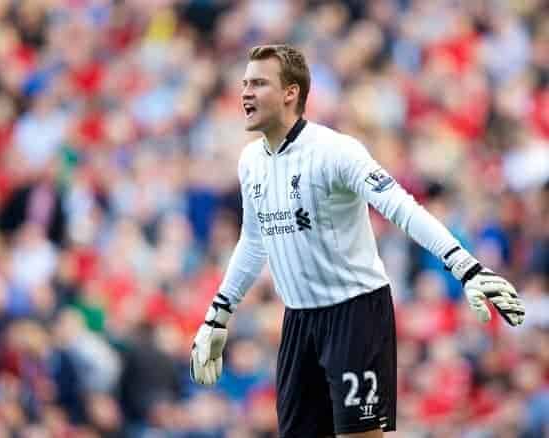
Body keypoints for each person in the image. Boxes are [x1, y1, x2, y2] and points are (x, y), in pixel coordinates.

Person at [189, 44, 525, 437]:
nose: (245, 92)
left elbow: (402, 207)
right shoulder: (250, 161)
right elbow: (252, 240)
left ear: (290, 93)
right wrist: (218, 314)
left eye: (258, 83)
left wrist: (465, 266)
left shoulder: (336, 151)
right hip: (298, 319)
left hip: (355, 313)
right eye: (245, 83)